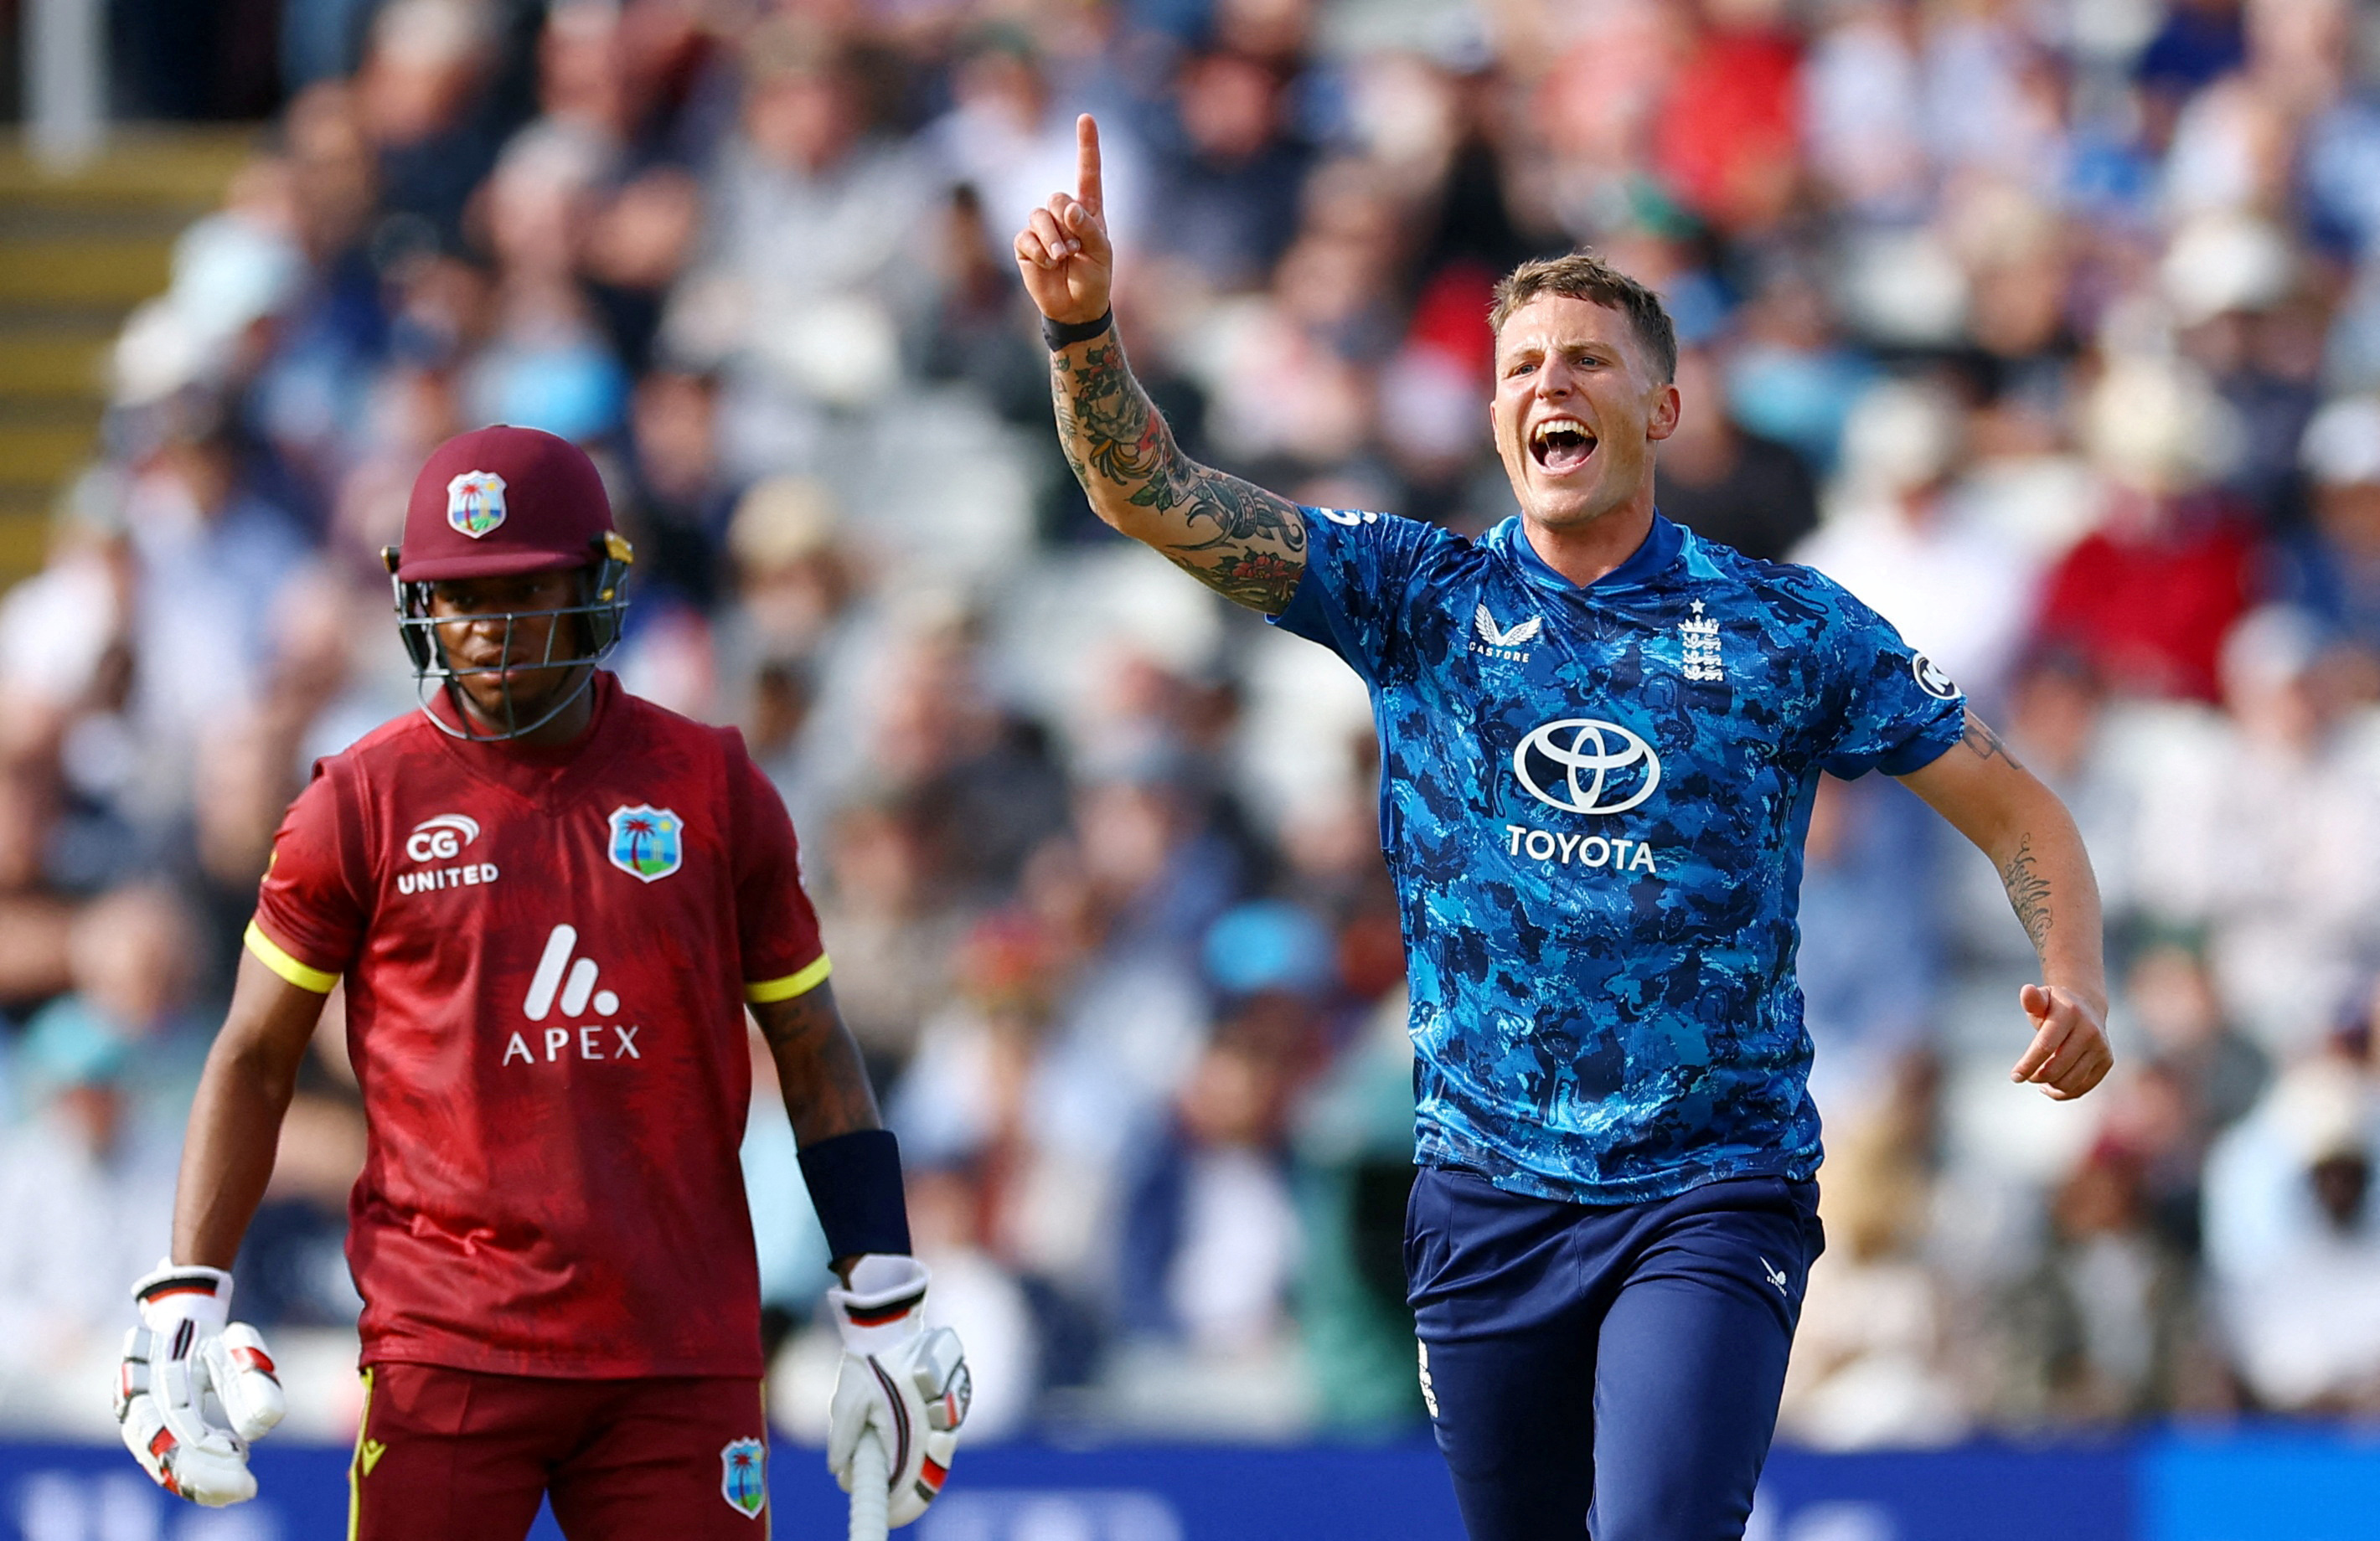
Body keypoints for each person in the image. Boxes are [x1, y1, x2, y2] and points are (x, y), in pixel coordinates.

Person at [1014, 117, 2112, 1540]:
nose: (1551, 382)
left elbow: (2014, 803)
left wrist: (2074, 971)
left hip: (1710, 1186)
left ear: (1657, 410)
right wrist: (1083, 328)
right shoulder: (1415, 597)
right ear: (1492, 421)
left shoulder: (1785, 628)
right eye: (1521, 365)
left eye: (1587, 359)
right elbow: (1143, 492)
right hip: (1485, 1195)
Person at [110, 425, 969, 1533]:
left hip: (679, 1348)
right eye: (460, 596)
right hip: (446, 1345)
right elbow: (253, 1053)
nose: (487, 628)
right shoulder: (356, 802)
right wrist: (189, 1288)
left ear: (591, 587)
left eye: (522, 591)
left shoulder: (710, 785)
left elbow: (812, 1047)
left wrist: (882, 1294)